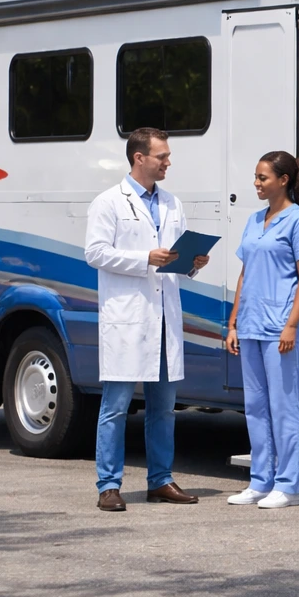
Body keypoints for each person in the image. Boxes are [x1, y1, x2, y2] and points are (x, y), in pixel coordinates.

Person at [84, 127, 210, 512]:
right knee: (116, 407)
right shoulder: (108, 202)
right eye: (162, 156)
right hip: (128, 318)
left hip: (163, 318)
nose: (168, 162)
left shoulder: (172, 203)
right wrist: (144, 260)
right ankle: (108, 485)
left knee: (163, 408)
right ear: (140, 158)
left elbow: (173, 260)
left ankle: (160, 480)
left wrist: (193, 264)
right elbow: (95, 253)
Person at [224, 151, 299, 510]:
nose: (256, 184)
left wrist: (292, 325)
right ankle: (260, 481)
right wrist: (234, 322)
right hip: (250, 325)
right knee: (255, 407)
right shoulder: (254, 220)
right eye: (255, 177)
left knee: (284, 408)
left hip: (281, 326)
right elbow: (245, 273)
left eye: (262, 178)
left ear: (283, 181)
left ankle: (289, 485)